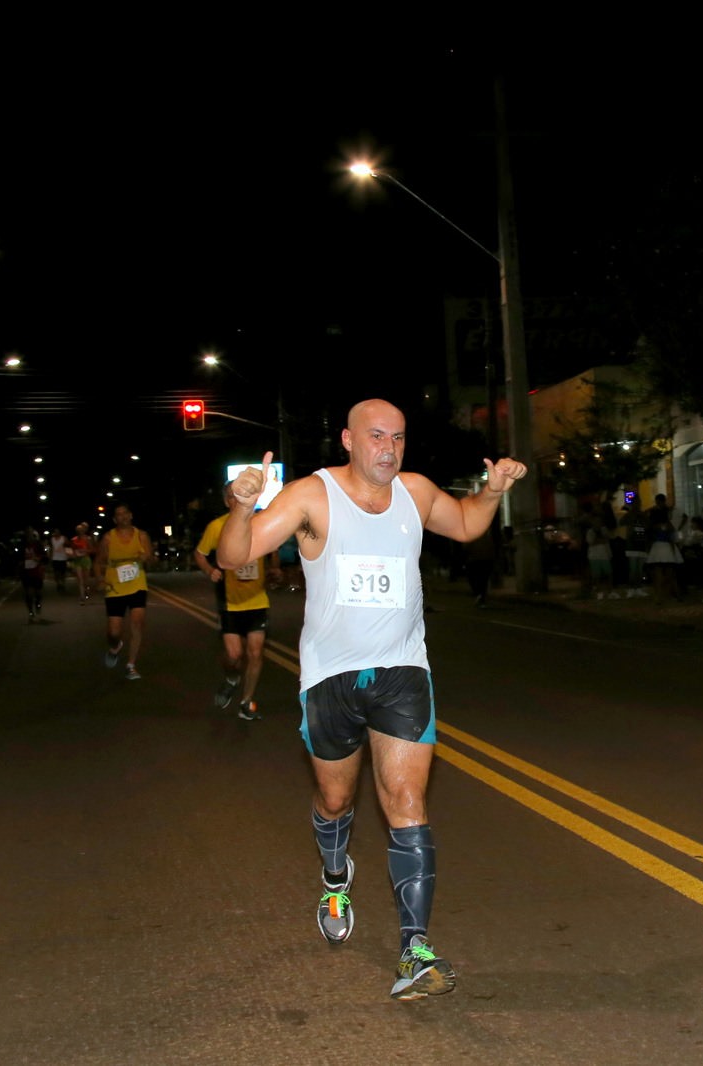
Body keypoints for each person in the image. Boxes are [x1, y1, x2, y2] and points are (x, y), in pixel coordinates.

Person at [216, 398, 527, 1001]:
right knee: (335, 800)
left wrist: (491, 492)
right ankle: (336, 878)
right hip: (329, 677)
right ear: (348, 440)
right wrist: (240, 506)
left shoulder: (415, 491)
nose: (389, 448)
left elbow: (466, 524)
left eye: (399, 438)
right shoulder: (312, 495)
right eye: (377, 436)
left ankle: (415, 949)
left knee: (407, 801)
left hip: (403, 670)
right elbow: (235, 556)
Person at [194, 485, 283, 720]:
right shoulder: (217, 527)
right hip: (230, 602)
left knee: (255, 653)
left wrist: (274, 568)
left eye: (242, 496)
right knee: (234, 656)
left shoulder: (261, 522)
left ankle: (246, 701)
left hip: (257, 600)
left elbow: (273, 550)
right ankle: (232, 677)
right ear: (227, 502)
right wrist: (210, 570)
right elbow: (199, 554)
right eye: (233, 498)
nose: (238, 501)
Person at [94, 504, 156, 680]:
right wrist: (100, 580)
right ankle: (115, 647)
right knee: (113, 633)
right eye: (119, 515)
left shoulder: (141, 536)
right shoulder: (108, 538)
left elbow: (151, 559)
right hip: (115, 588)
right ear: (115, 519)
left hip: (137, 585)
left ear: (131, 515)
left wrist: (147, 558)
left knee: (137, 624)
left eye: (125, 513)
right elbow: (98, 562)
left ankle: (131, 665)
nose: (123, 517)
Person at [644, 493, 686, 601]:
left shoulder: (653, 526)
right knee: (670, 574)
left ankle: (658, 597)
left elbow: (650, 537)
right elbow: (672, 538)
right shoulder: (668, 525)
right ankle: (676, 594)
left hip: (657, 548)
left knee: (658, 574)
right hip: (667, 548)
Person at [19, 530, 47, 623]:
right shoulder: (22, 545)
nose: (29, 537)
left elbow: (44, 556)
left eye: (31, 535)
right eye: (28, 535)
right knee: (28, 594)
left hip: (37, 572)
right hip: (26, 573)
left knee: (38, 593)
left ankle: (38, 606)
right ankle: (31, 612)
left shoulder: (38, 544)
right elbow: (18, 557)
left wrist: (39, 559)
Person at [70, 522, 95, 604]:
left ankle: (86, 589)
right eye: (78, 530)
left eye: (81, 530)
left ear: (84, 530)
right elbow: (72, 550)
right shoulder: (73, 540)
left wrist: (85, 551)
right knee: (80, 579)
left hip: (86, 560)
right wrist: (74, 554)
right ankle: (82, 596)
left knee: (86, 580)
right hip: (77, 560)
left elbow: (92, 550)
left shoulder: (87, 539)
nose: (80, 531)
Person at [49, 529, 70, 593]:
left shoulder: (64, 538)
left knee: (62, 573)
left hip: (63, 558)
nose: (56, 533)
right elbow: (51, 548)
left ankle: (62, 584)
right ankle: (58, 584)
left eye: (57, 532)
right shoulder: (52, 539)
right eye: (55, 532)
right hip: (55, 558)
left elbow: (68, 545)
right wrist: (50, 557)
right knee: (56, 573)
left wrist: (67, 553)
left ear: (60, 532)